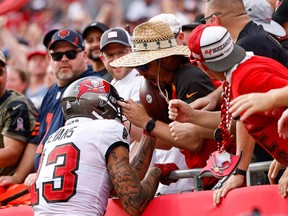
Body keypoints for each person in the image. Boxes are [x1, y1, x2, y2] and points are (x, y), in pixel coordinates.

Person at [168, 24, 288, 205]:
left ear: (202, 65)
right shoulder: (241, 70)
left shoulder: (247, 77)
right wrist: (192, 116)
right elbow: (243, 121)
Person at [111, 20, 233, 190]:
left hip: (223, 175)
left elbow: (194, 142)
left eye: (144, 65)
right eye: (137, 67)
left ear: (167, 60)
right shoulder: (167, 83)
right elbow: (170, 141)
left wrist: (146, 121)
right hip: (211, 175)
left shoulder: (189, 78)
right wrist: (129, 122)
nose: (140, 72)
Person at [31, 76, 178, 215]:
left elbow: (116, 186)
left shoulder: (53, 139)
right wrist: (156, 172)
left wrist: (149, 131)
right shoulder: (107, 128)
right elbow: (134, 203)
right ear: (102, 105)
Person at [0, 28, 99, 186]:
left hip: (74, 182)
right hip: (46, 180)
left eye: (71, 54)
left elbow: (79, 145)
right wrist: (17, 177)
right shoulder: (52, 90)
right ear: (49, 59)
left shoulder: (91, 87)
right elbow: (35, 140)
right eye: (57, 55)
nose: (64, 59)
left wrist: (42, 172)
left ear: (85, 56)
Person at [0, 50, 37, 177]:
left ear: (5, 73)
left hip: (12, 188)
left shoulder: (16, 106)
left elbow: (11, 155)